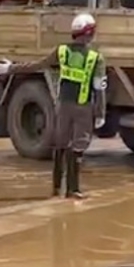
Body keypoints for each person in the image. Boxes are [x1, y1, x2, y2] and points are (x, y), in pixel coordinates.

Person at [52, 13, 107, 199]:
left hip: (63, 106)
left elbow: (37, 65)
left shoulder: (61, 51)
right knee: (77, 147)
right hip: (83, 108)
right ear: (90, 33)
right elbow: (99, 88)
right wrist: (100, 113)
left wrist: (11, 68)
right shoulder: (95, 58)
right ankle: (72, 190)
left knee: (60, 144)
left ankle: (56, 188)